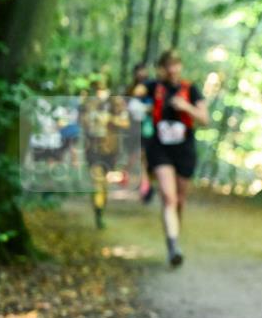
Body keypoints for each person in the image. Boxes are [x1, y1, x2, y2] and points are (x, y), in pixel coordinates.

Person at [145, 49, 209, 266]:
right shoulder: (153, 88)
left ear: (180, 66)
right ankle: (172, 245)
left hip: (184, 149)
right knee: (168, 196)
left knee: (179, 200)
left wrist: (186, 107)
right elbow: (133, 97)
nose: (172, 69)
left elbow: (204, 118)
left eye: (176, 64)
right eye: (168, 65)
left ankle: (175, 237)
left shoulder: (191, 89)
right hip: (160, 148)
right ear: (161, 68)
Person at [81, 77, 130, 229]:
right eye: (95, 89)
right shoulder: (87, 104)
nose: (98, 92)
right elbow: (82, 123)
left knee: (104, 184)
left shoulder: (115, 103)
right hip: (93, 148)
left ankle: (100, 209)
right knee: (97, 182)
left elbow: (125, 122)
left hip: (110, 150)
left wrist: (110, 119)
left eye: (101, 89)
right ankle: (98, 213)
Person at [126, 62, 154, 203]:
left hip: (148, 129)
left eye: (143, 71)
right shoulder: (130, 90)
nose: (141, 74)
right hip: (134, 129)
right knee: (137, 157)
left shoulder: (153, 88)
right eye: (139, 71)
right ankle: (143, 187)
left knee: (144, 159)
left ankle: (146, 188)